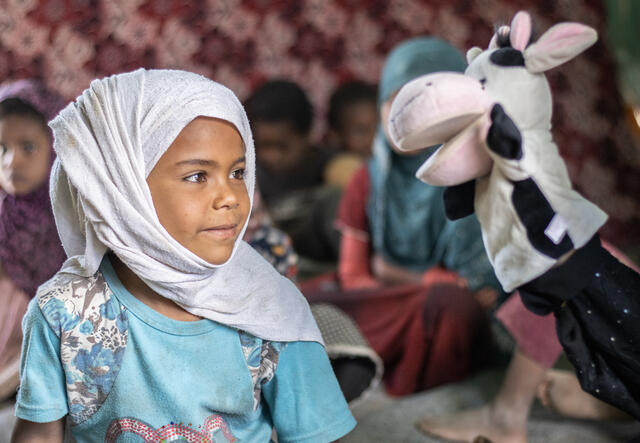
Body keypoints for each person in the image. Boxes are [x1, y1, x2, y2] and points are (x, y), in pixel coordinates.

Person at [12, 69, 355, 442]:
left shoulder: (273, 310)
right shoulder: (64, 313)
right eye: (197, 176)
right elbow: (38, 436)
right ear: (122, 187)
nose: (231, 197)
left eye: (238, 172)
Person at [302, 37, 499, 396]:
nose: (400, 115)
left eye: (419, 103)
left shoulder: (478, 175)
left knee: (452, 309)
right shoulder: (369, 178)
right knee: (296, 302)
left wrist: (440, 289)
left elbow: (484, 285)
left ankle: (384, 358)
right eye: (393, 100)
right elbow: (355, 274)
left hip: (444, 306)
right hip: (390, 300)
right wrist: (417, 285)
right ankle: (388, 347)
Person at [0, 79, 67, 401]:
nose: (11, 162)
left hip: (36, 341)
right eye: (1, 149)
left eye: (28, 147)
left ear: (55, 146)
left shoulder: (69, 217)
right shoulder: (2, 213)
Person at [245, 80, 341, 267]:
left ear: (307, 135)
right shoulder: (251, 175)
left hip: (327, 267)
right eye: (264, 146)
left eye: (282, 147)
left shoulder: (331, 165)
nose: (272, 156)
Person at [323, 81, 378, 188]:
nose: (373, 138)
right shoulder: (341, 168)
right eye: (360, 131)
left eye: (378, 128)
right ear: (336, 136)